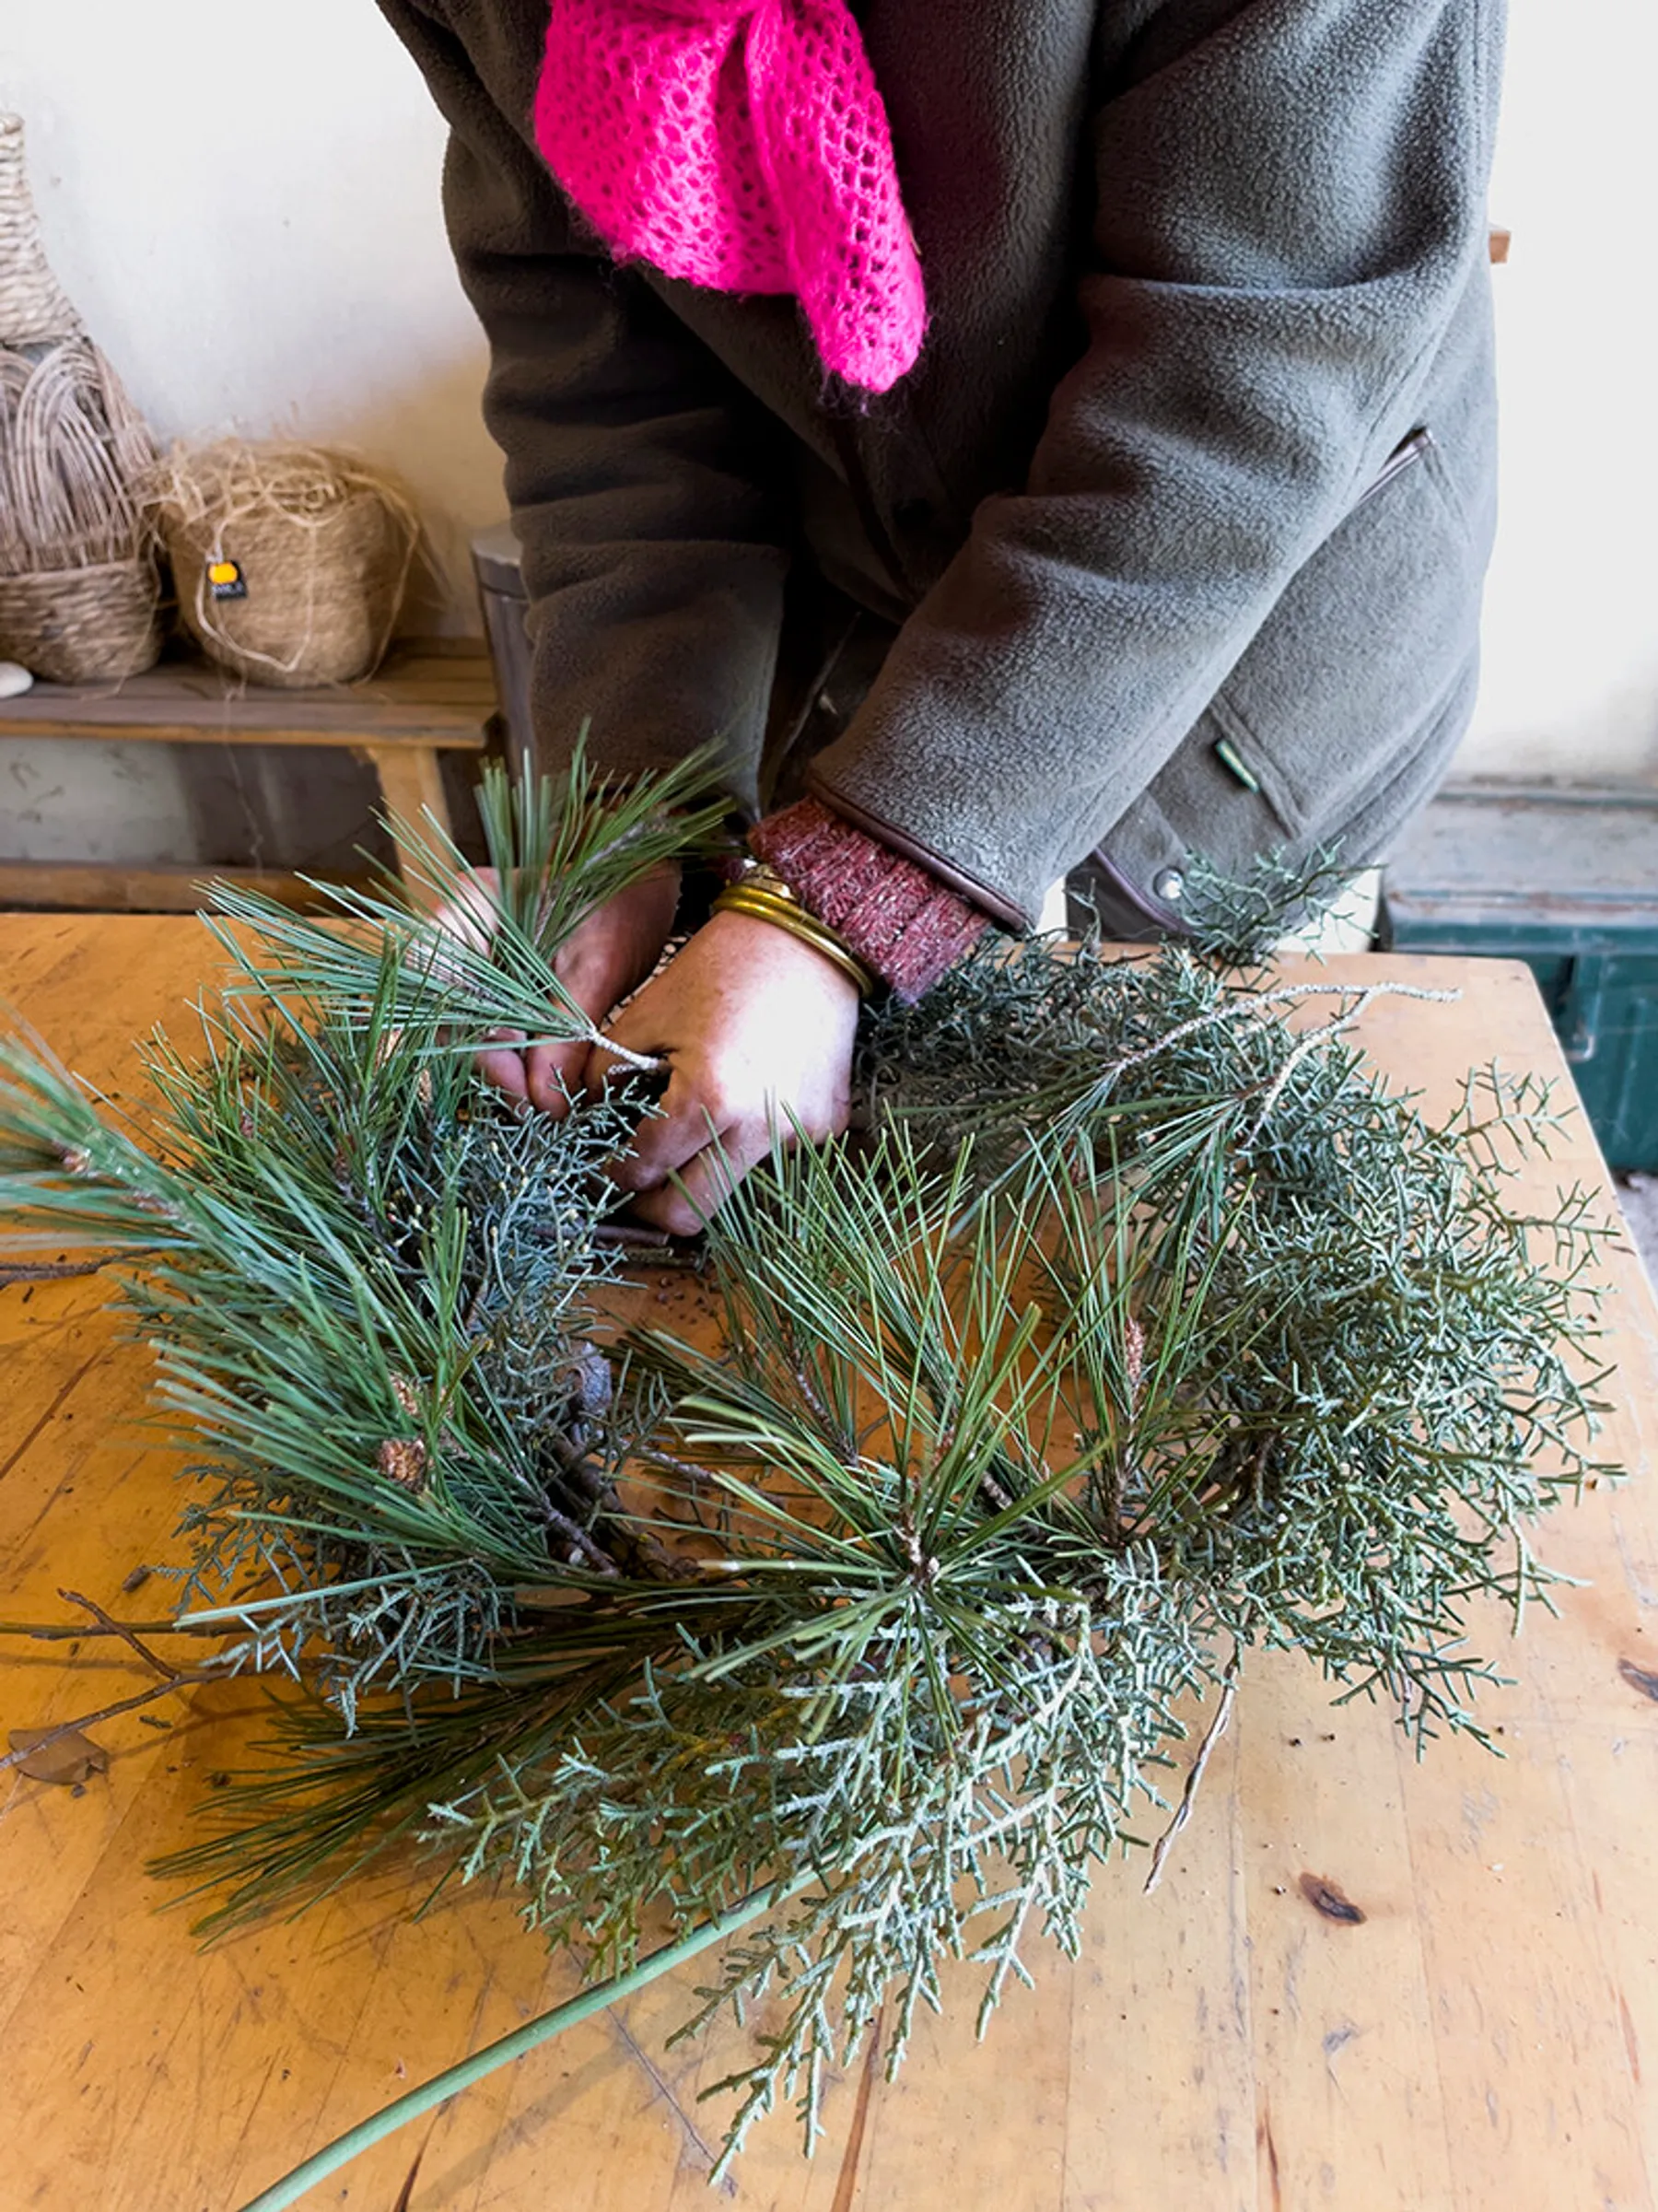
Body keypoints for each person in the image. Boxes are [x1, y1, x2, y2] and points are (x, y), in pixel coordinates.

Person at [380, 0, 1505, 1232]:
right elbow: (609, 384)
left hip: (1247, 663)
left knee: (1191, 1250)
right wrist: (635, 820)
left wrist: (861, 894)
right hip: (865, 643)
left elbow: (1238, 397)